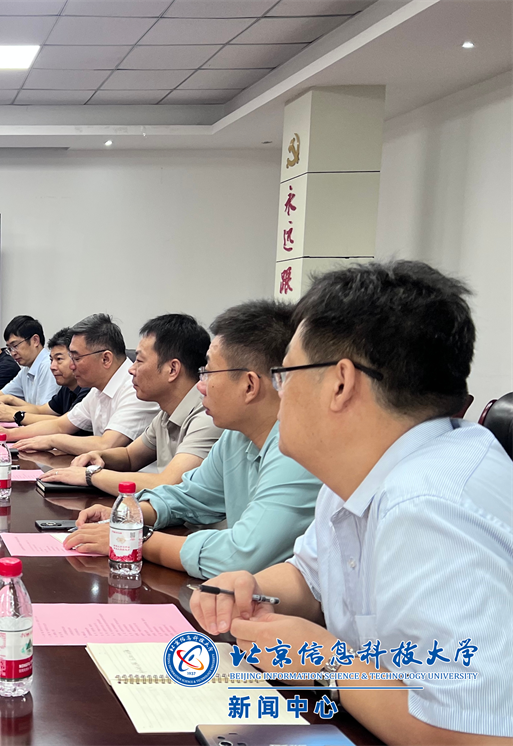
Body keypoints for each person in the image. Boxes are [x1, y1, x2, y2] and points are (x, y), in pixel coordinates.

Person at [193, 262, 512, 744]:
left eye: (286, 374)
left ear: (341, 383)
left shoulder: (430, 505)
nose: (279, 392)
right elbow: (312, 577)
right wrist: (249, 588)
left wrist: (326, 662)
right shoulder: (360, 473)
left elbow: (472, 734)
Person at [64, 301, 321, 579]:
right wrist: (130, 513)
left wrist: (134, 538)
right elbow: (190, 496)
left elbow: (240, 554)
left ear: (249, 385)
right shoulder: (236, 436)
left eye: (208, 373)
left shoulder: (296, 451)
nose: (200, 386)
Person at [40, 313, 222, 491]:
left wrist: (90, 475)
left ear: (172, 369)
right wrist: (98, 456)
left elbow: (169, 483)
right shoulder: (166, 413)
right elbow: (129, 456)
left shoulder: (207, 416)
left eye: (139, 361)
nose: (131, 369)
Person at [0, 313, 159, 456]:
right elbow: (60, 425)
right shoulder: (97, 390)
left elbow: (106, 445)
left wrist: (52, 441)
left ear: (106, 359)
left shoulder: (135, 389)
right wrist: (8, 434)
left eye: (76, 358)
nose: (72, 366)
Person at [0, 327, 90, 426]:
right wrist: (8, 409)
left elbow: (63, 423)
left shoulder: (88, 390)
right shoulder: (66, 389)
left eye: (59, 359)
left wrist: (15, 414)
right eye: (51, 360)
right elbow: (41, 410)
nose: (52, 367)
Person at [0, 315, 59, 406]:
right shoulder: (26, 370)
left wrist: (10, 400)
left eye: (15, 346)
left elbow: (44, 411)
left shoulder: (49, 366)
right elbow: (0, 395)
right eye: (10, 349)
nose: (13, 353)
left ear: (35, 340)